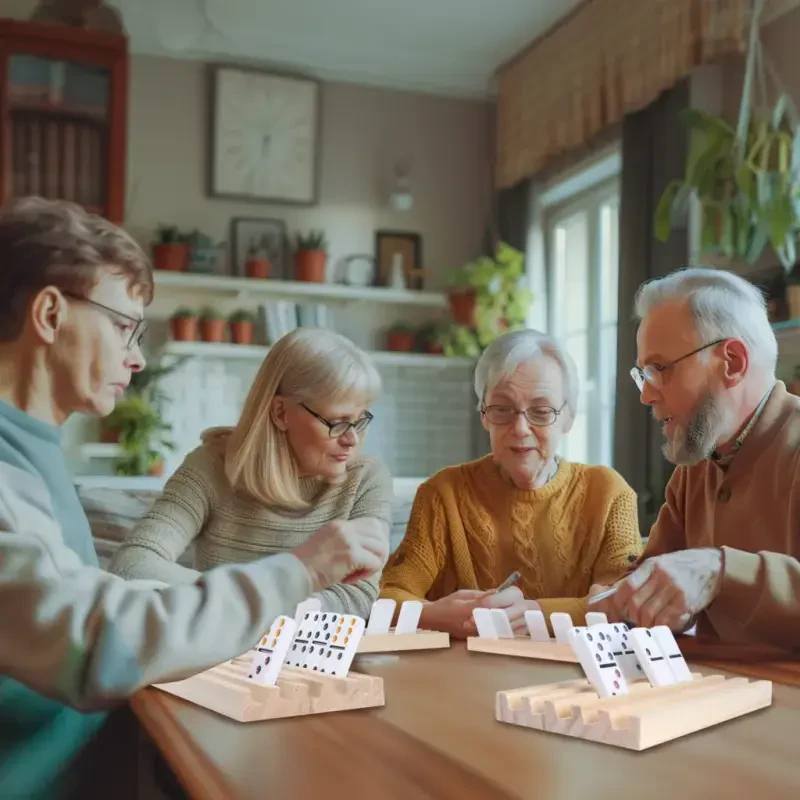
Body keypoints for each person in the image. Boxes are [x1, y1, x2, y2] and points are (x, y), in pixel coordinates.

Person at [0, 197, 388, 799]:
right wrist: (297, 571)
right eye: (125, 324)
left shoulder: (32, 449)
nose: (137, 356)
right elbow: (98, 636)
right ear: (50, 314)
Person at [109, 328, 393, 618]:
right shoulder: (211, 466)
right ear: (281, 413)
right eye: (337, 421)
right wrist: (269, 596)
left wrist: (238, 603)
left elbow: (358, 598)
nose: (352, 439)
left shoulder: (366, 478)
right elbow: (133, 564)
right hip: (216, 654)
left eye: (360, 420)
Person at [379, 329, 643, 637]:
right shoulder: (443, 494)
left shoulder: (609, 493)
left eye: (541, 412)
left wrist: (534, 614)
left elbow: (623, 603)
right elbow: (388, 598)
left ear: (569, 418)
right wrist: (435, 615)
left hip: (576, 678)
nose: (519, 429)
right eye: (502, 410)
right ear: (483, 415)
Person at [590, 267, 800, 650]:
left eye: (660, 369)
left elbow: (707, 572)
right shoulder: (695, 469)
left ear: (732, 362)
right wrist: (624, 598)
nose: (646, 396)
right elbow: (650, 581)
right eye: (643, 374)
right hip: (712, 696)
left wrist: (720, 571)